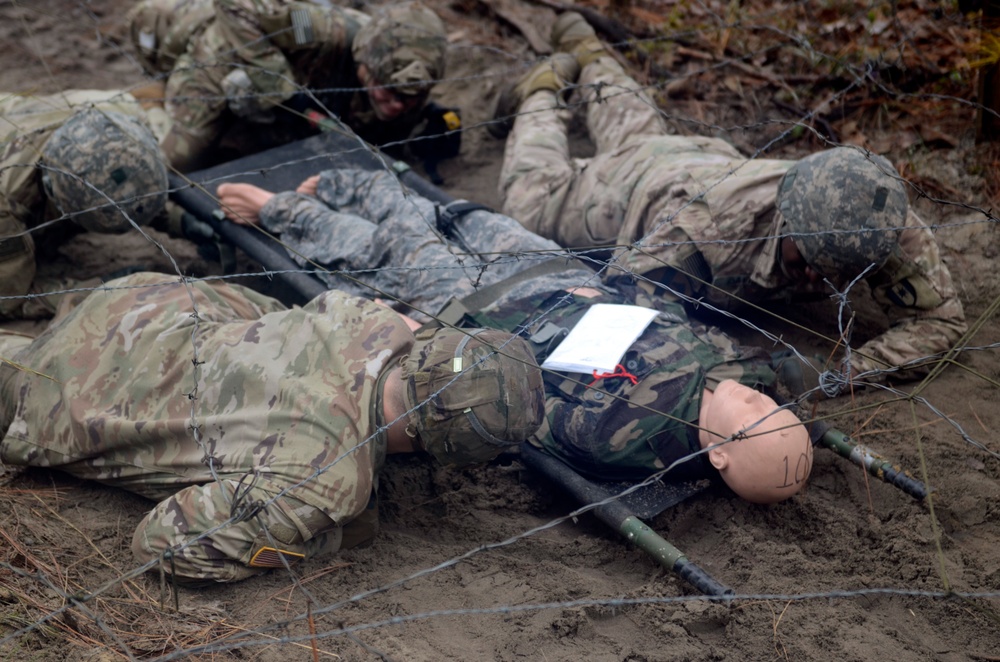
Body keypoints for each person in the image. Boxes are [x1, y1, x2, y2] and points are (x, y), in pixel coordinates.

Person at [214, 167, 813, 504]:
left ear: (721, 454)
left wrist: (435, 339)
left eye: (754, 415)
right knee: (469, 219)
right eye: (771, 405)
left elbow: (523, 403)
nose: (757, 399)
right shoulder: (741, 377)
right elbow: (674, 313)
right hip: (562, 276)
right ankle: (349, 180)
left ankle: (278, 208)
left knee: (396, 247)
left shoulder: (623, 436)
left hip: (496, 313)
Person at [493, 13, 968, 387]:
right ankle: (542, 89)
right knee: (532, 200)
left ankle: (588, 51)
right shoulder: (701, 237)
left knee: (638, 129)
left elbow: (942, 322)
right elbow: (623, 316)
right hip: (637, 192)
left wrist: (842, 374)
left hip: (706, 160)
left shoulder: (874, 219)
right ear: (785, 218)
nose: (821, 279)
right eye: (808, 260)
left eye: (840, 273)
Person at [0, 272, 545, 583]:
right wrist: (323, 535)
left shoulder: (368, 319)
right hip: (59, 403)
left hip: (135, 306)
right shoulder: (330, 480)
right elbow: (164, 543)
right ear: (452, 452)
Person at [127, 0, 448, 170]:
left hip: (292, 85)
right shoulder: (325, 31)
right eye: (388, 92)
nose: (396, 106)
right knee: (179, 161)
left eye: (410, 98)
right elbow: (235, 6)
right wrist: (282, 89)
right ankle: (147, 104)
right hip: (226, 52)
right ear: (363, 65)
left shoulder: (409, 74)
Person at [0, 90, 169, 320]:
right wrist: (96, 290)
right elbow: (9, 299)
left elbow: (132, 178)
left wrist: (178, 218)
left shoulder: (120, 111)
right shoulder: (5, 206)